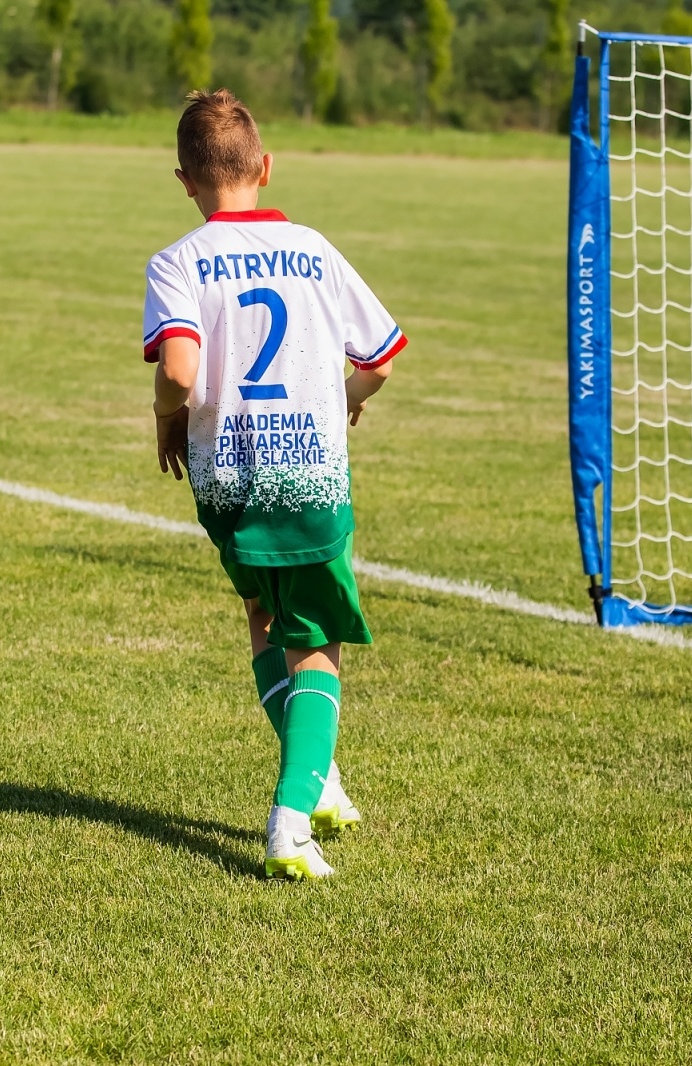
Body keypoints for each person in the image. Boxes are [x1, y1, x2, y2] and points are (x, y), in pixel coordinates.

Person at [142, 89, 404, 880]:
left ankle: (318, 779)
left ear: (185, 180)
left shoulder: (177, 261)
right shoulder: (314, 248)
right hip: (307, 473)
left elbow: (179, 369)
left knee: (264, 614)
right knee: (314, 645)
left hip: (227, 482)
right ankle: (290, 825)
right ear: (265, 166)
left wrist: (165, 417)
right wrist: (347, 400)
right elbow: (382, 355)